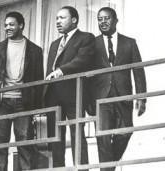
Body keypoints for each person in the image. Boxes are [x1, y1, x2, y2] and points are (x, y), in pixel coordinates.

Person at [0, 11, 43, 171]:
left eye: (11, 24)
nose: (7, 28)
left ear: (21, 25)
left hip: (24, 103)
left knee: (25, 143)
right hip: (1, 103)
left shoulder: (35, 50)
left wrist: (37, 107)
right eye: (5, 25)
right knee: (0, 144)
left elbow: (39, 80)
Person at [89, 7, 147, 171]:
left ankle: (107, 168)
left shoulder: (129, 42)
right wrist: (87, 101)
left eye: (107, 18)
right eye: (100, 19)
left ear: (115, 21)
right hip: (101, 98)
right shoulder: (93, 43)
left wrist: (141, 97)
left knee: (125, 132)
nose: (103, 22)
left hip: (123, 96)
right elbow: (87, 74)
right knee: (104, 138)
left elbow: (138, 71)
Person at [43, 6, 95, 169]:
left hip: (75, 94)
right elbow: (48, 70)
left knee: (77, 133)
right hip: (53, 95)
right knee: (55, 137)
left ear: (74, 20)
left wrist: (61, 71)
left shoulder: (86, 38)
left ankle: (81, 168)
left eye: (62, 18)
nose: (58, 21)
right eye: (57, 18)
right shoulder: (54, 44)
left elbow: (82, 60)